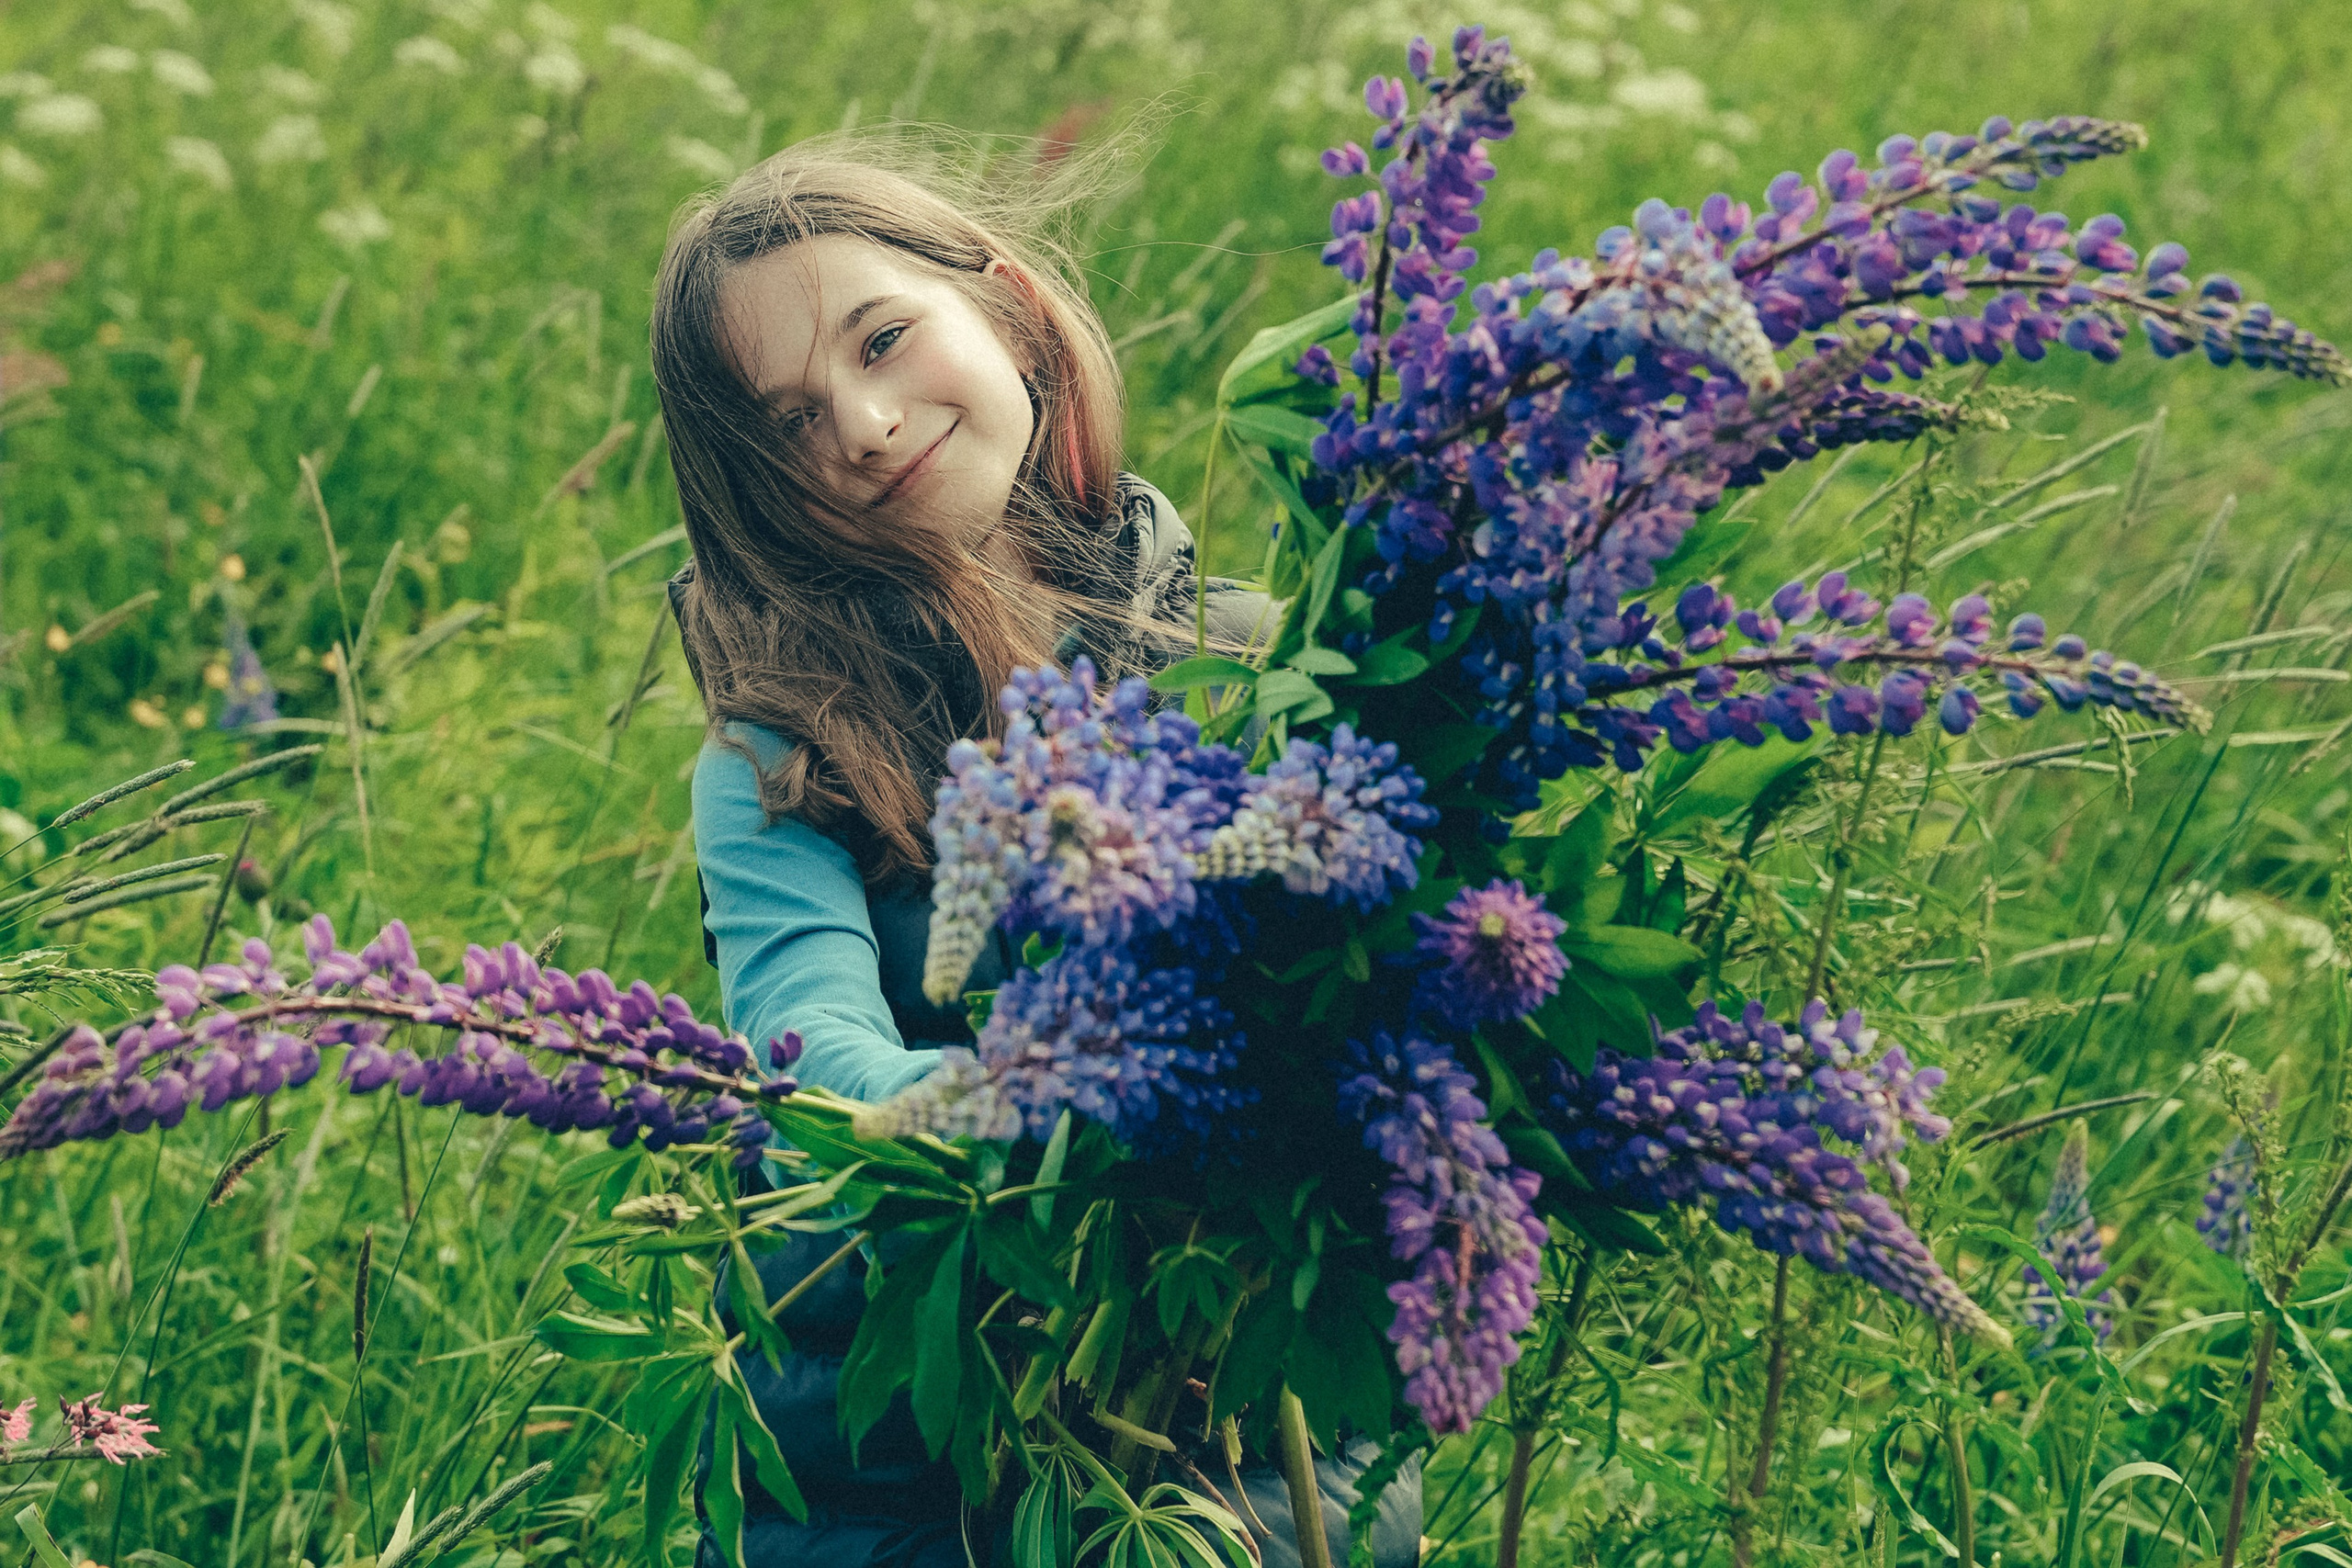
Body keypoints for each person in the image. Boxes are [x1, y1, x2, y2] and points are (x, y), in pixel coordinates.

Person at [647, 130, 1423, 1568]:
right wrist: (1051, 1104)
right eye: (792, 423)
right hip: (887, 1442)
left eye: (885, 341)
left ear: (1006, 308)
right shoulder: (780, 751)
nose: (866, 424)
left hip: (1227, 1418)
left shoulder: (1250, 665)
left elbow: (1368, 981)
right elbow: (805, 1044)